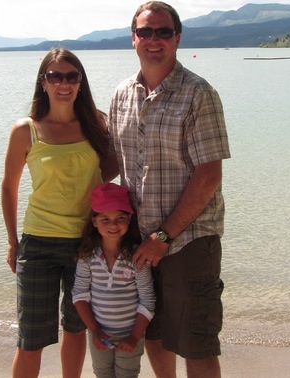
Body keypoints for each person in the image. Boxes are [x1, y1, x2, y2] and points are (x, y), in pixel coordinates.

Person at [107, 2, 231, 377]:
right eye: (145, 32)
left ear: (177, 38)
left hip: (188, 240)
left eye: (163, 32)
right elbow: (114, 163)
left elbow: (209, 174)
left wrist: (164, 235)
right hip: (137, 240)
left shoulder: (198, 93)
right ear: (133, 39)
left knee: (196, 341)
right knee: (154, 333)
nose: (154, 40)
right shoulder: (121, 95)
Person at [1, 47, 115, 378]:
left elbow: (107, 171)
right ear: (44, 82)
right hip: (37, 245)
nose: (63, 83)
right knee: (31, 338)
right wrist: (12, 242)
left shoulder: (97, 123)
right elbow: (9, 188)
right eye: (55, 76)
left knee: (76, 328)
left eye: (71, 76)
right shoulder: (26, 130)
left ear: (80, 82)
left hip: (85, 244)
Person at [72, 182, 155, 378]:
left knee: (127, 375)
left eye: (120, 218)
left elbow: (148, 300)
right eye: (105, 219)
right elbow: (79, 295)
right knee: (102, 374)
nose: (113, 225)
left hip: (131, 335)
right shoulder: (87, 256)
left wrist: (135, 336)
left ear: (129, 218)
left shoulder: (137, 256)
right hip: (98, 333)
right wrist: (94, 330)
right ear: (94, 221)